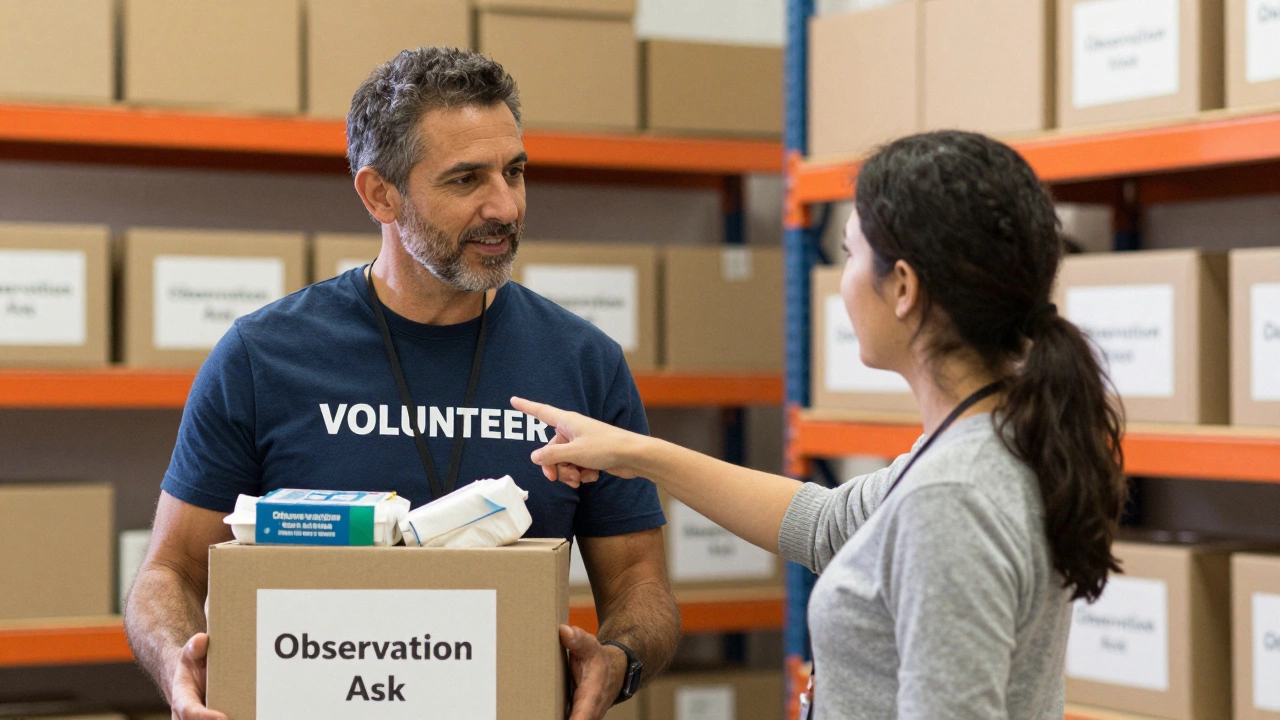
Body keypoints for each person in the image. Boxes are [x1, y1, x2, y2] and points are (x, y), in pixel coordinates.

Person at [123, 47, 680, 720]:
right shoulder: (261, 357)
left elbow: (641, 583)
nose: (504, 206)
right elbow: (169, 573)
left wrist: (619, 660)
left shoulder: (582, 362)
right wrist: (179, 670)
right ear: (378, 193)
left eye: (515, 171)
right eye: (466, 179)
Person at [512, 131, 1128, 719]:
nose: (842, 281)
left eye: (851, 254)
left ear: (904, 287)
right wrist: (634, 453)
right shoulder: (984, 445)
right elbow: (827, 523)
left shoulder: (951, 498)